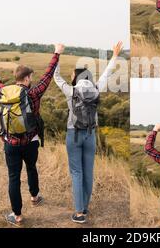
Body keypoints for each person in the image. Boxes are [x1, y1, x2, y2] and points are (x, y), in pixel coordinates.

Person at [0, 41, 64, 226]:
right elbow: (48, 75)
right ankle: (35, 197)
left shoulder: (3, 91)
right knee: (31, 167)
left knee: (13, 177)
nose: (32, 80)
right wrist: (56, 53)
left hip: (10, 143)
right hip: (30, 141)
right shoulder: (34, 93)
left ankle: (17, 216)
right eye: (31, 78)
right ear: (27, 78)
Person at [53, 41, 123, 224]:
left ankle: (79, 213)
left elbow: (56, 76)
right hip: (91, 135)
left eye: (72, 75)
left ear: (76, 77)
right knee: (88, 172)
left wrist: (57, 54)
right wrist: (115, 55)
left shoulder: (71, 90)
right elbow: (107, 74)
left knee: (76, 172)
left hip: (73, 135)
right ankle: (85, 206)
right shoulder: (96, 88)